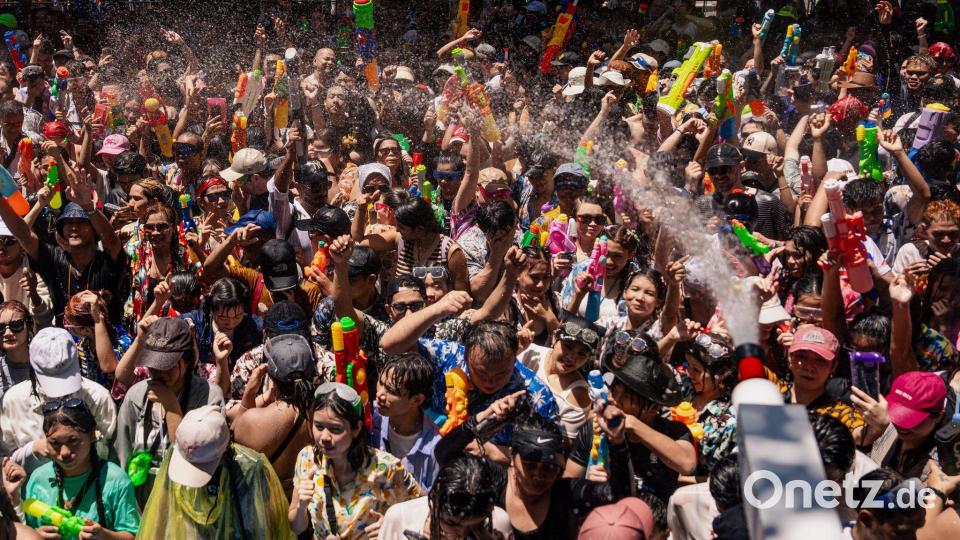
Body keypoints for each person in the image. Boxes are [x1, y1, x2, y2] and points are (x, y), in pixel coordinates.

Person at [288, 382, 422, 539]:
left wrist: (391, 526)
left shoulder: (387, 468)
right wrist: (301, 506)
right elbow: (296, 527)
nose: (324, 437)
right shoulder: (307, 459)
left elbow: (423, 512)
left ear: (356, 428)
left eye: (335, 429)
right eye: (319, 426)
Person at [114, 317, 225, 506]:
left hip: (190, 500)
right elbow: (122, 454)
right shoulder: (136, 396)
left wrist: (172, 408)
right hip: (142, 500)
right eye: (153, 365)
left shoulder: (209, 398)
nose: (159, 372)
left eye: (168, 365)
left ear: (187, 360)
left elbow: (198, 458)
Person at [138, 406, 294, 539]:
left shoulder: (249, 469)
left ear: (225, 451)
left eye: (202, 466)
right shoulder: (175, 456)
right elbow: (161, 511)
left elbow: (262, 526)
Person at [0, 327, 115, 472]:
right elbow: (5, 460)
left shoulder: (98, 397)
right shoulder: (13, 401)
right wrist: (32, 450)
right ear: (32, 365)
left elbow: (111, 453)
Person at [23, 399, 140, 539]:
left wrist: (105, 536)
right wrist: (35, 535)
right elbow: (24, 528)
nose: (64, 452)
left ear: (92, 435)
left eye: (73, 441)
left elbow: (133, 535)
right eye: (54, 443)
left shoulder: (115, 480)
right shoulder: (38, 479)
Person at [232, 333, 316, 493]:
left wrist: (249, 392)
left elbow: (237, 434)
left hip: (266, 502)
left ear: (272, 380)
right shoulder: (324, 416)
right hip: (307, 500)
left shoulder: (252, 421)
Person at [379, 454, 513, 540]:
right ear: (434, 502)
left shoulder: (499, 523)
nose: (462, 533)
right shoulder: (400, 518)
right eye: (452, 523)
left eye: (475, 525)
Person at [517, 316, 599, 441]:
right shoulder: (528, 352)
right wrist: (514, 351)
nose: (571, 358)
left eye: (581, 354)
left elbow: (564, 445)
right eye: (568, 346)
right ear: (555, 337)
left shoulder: (579, 395)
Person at [371, 352, 442, 491]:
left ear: (416, 400)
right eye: (380, 383)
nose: (380, 395)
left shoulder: (435, 449)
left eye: (391, 391)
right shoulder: (372, 417)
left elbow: (433, 500)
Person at [0, 301, 34, 401]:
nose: (8, 333)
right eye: (0, 328)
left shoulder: (45, 364)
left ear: (29, 326)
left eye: (16, 325)